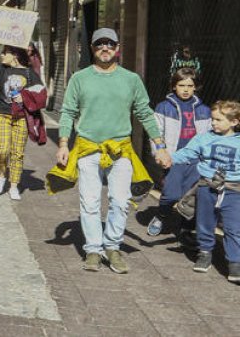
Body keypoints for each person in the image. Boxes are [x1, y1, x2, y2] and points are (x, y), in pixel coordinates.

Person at [52, 28, 172, 275]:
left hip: (121, 150)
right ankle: (93, 249)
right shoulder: (79, 78)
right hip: (87, 149)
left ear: (117, 48)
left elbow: (145, 113)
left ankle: (113, 246)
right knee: (90, 202)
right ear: (93, 49)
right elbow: (67, 113)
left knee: (120, 202)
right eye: (99, 44)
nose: (104, 48)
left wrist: (159, 146)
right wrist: (64, 144)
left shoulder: (131, 79)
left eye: (109, 44)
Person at [171, 100, 240, 281]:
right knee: (204, 222)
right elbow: (188, 153)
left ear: (234, 122)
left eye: (218, 120)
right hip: (207, 187)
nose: (213, 123)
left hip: (233, 191)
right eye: (212, 119)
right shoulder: (203, 138)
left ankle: (235, 263)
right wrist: (168, 158)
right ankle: (204, 253)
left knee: (233, 227)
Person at [147, 67, 212, 238]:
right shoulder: (163, 107)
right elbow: (156, 133)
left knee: (191, 195)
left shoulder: (204, 110)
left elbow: (210, 135)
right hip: (173, 157)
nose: (185, 89)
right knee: (171, 193)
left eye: (190, 86)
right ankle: (161, 215)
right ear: (174, 86)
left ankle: (186, 228)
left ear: (195, 87)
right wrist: (160, 154)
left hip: (196, 160)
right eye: (181, 85)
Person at [0, 45, 47, 200]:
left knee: (17, 153)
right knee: (2, 149)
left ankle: (14, 185)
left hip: (21, 117)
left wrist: (25, 97)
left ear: (15, 54)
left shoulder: (29, 73)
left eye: (5, 53)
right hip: (2, 115)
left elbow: (41, 94)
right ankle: (2, 176)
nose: (2, 55)